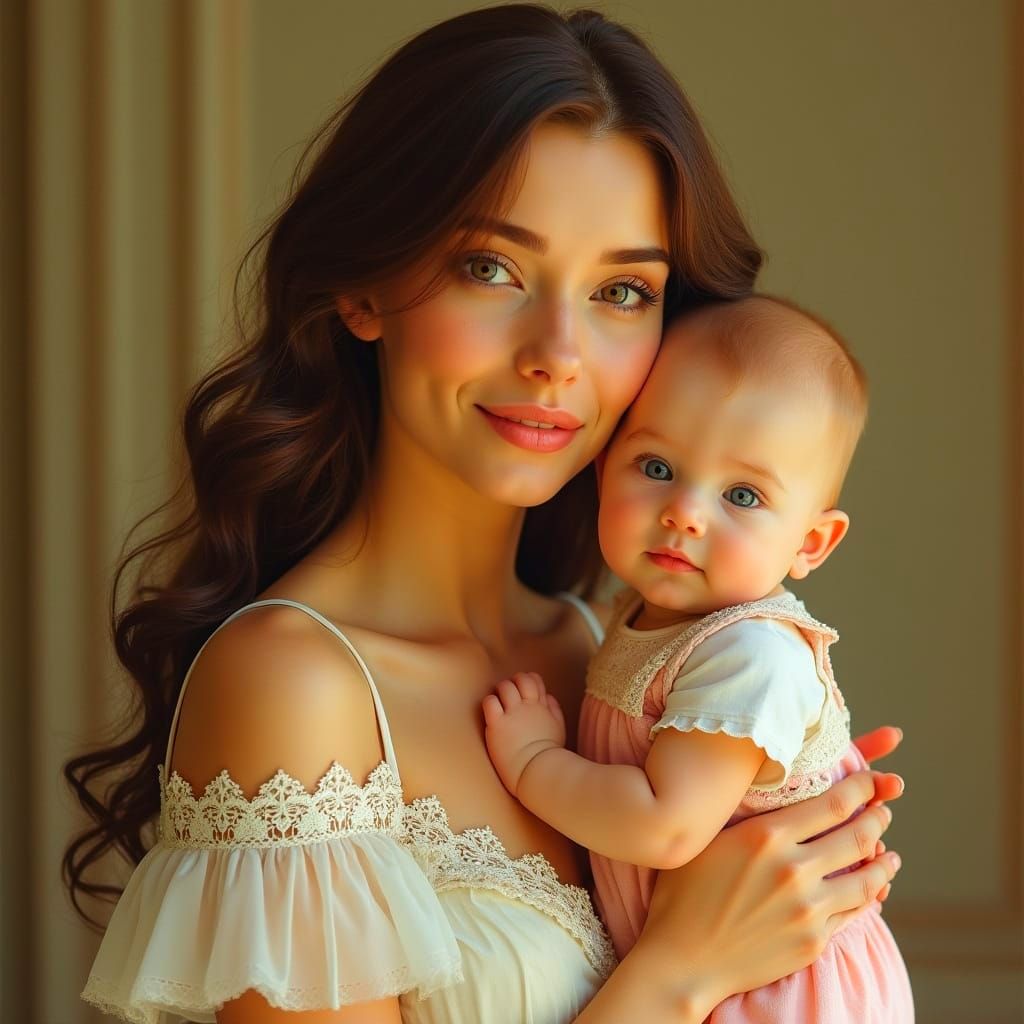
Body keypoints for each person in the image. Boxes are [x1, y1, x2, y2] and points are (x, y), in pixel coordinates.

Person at [64, 6, 903, 1023]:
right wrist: (679, 975)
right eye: (491, 267)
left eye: (621, 291)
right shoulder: (293, 687)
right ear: (364, 292)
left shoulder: (601, 652)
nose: (559, 351)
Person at [483, 294, 915, 1021]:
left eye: (742, 493)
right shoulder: (635, 621)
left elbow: (665, 824)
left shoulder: (750, 652)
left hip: (787, 990)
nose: (685, 510)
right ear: (603, 471)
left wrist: (534, 765)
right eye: (655, 466)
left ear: (811, 543)